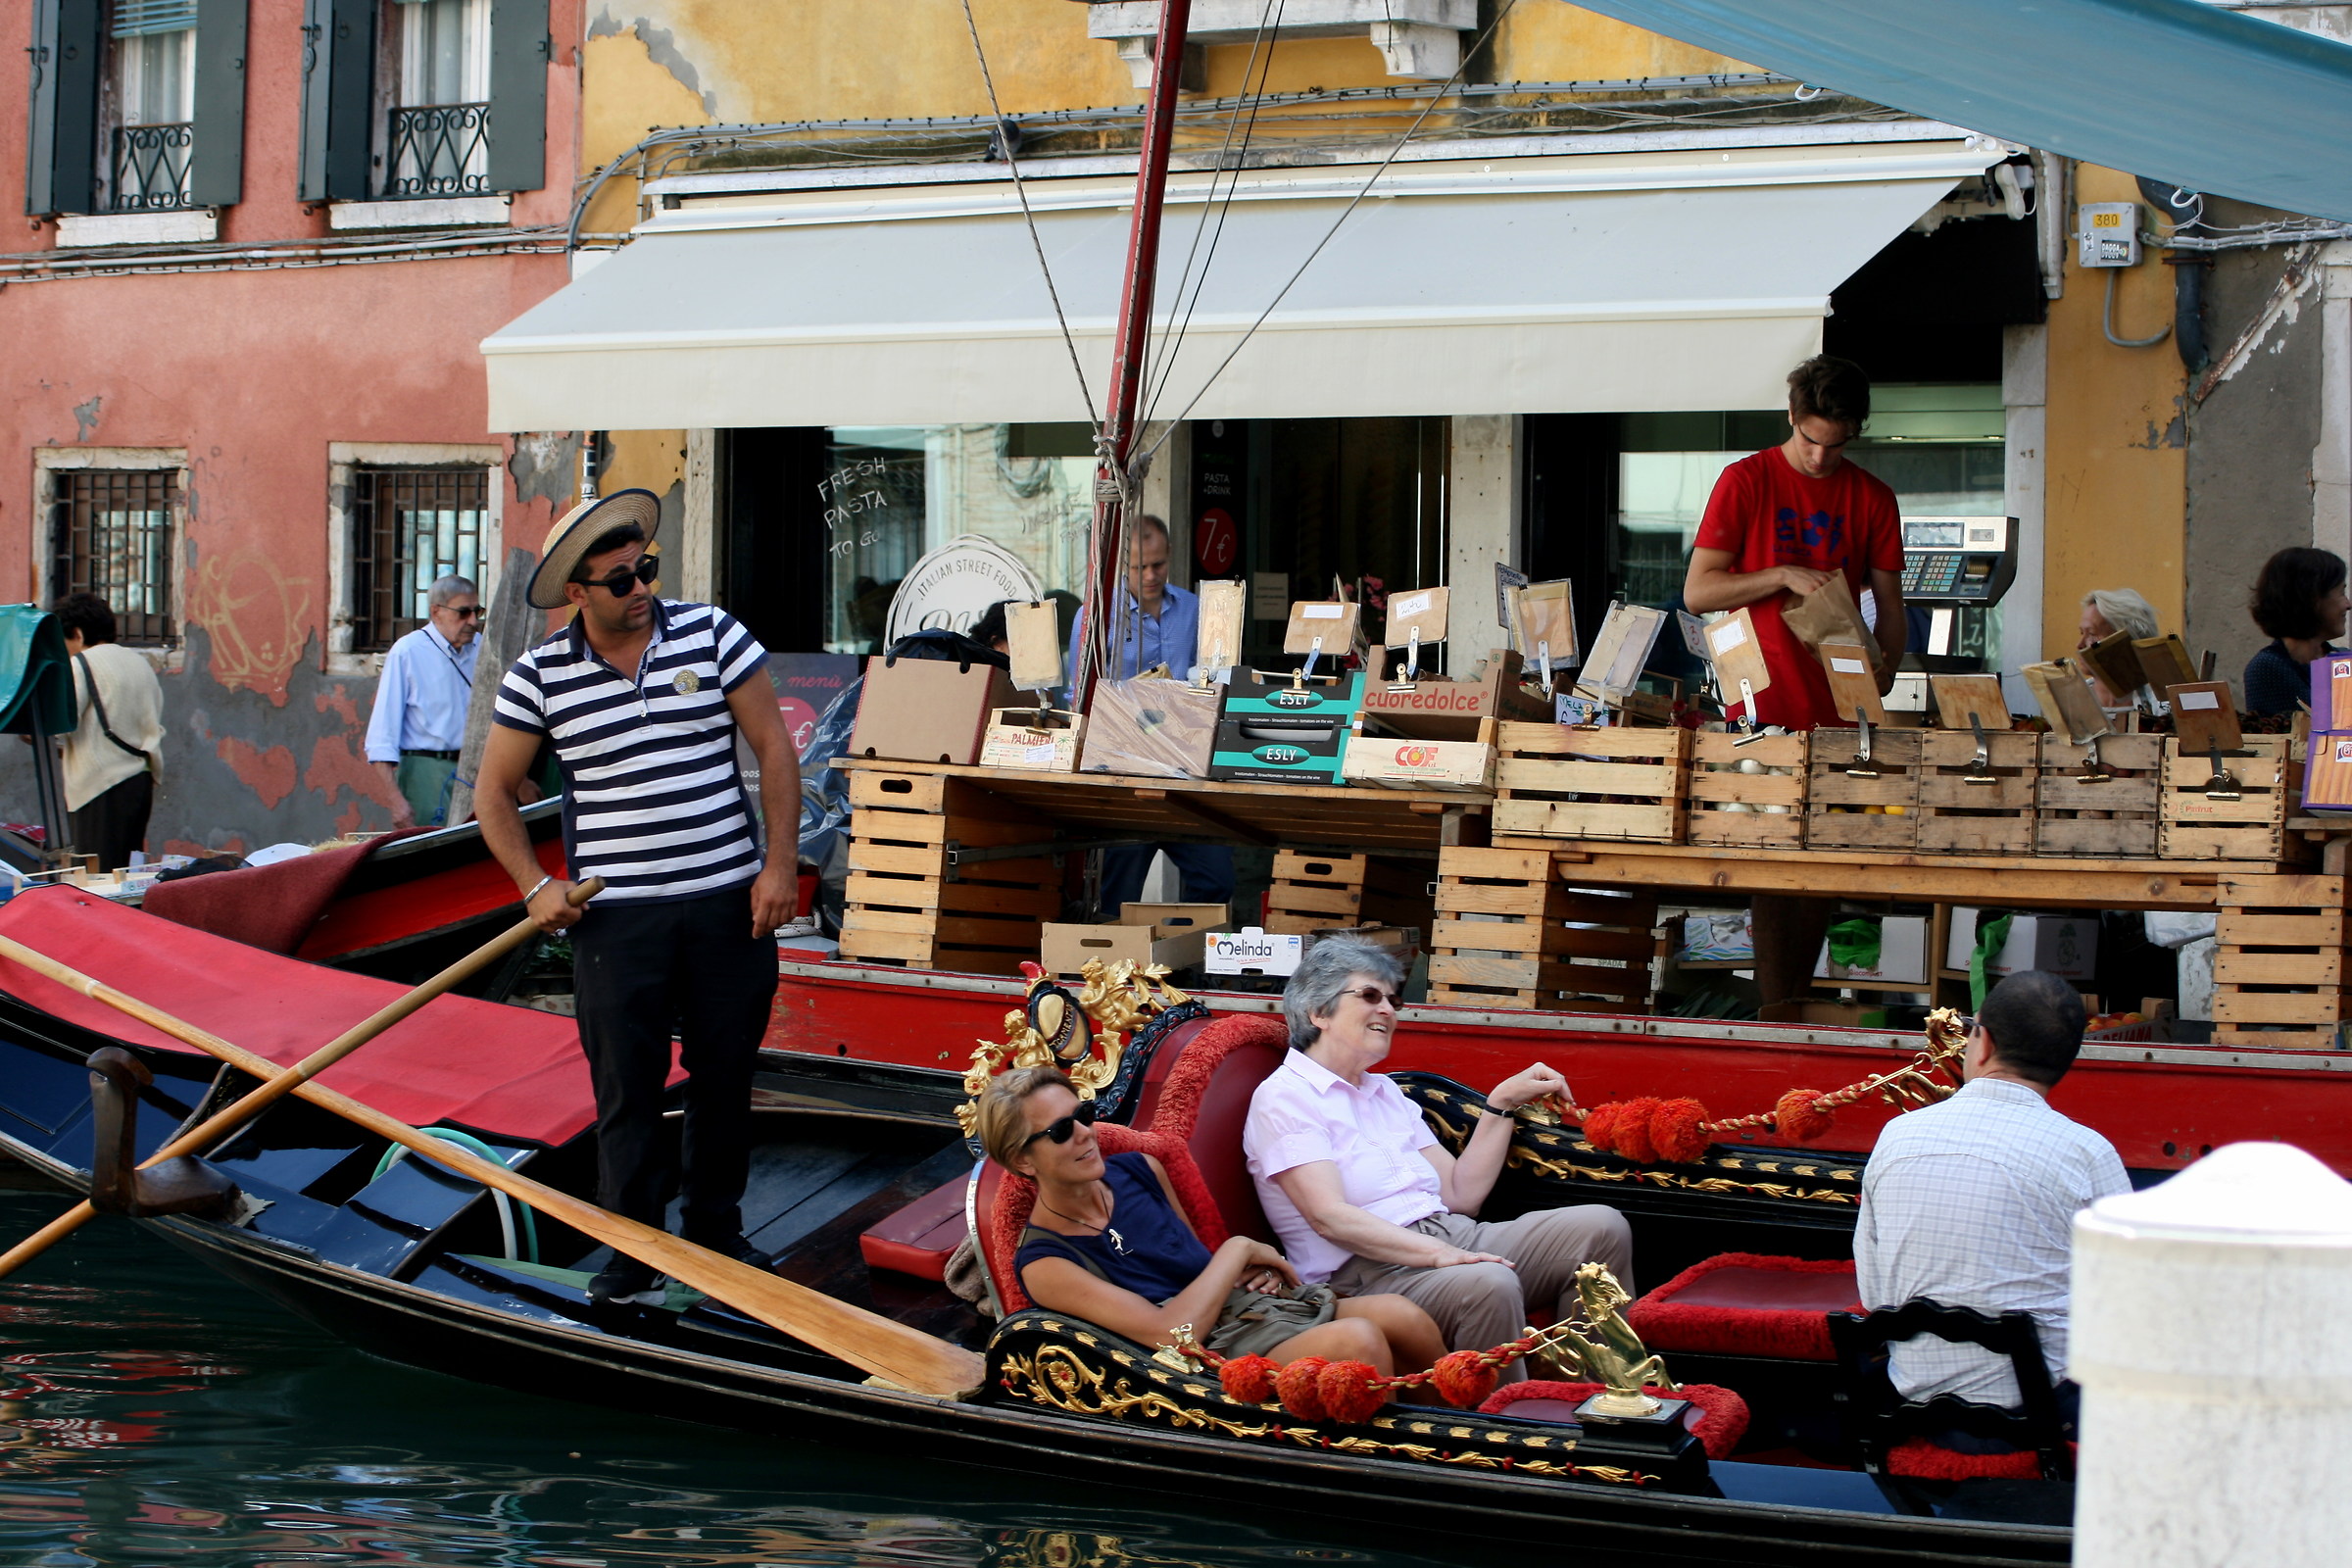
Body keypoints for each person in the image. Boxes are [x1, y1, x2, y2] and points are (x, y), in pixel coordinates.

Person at [473, 490, 802, 1305]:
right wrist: (535, 887)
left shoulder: (713, 635)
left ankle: (716, 1234)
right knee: (627, 1088)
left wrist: (778, 867)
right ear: (577, 592)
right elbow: (493, 793)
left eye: (645, 570)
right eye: (620, 580)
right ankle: (632, 1248)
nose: (641, 588)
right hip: (616, 920)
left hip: (728, 903)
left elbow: (773, 747)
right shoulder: (539, 675)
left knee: (725, 1076)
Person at [1244, 938, 1634, 1375]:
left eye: (1393, 1000)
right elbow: (1329, 1218)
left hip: (1450, 1234)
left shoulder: (1384, 1091)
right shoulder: (1285, 1098)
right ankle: (1509, 1412)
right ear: (1319, 1011)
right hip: (1367, 1272)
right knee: (1489, 1282)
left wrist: (1501, 1104)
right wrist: (1436, 1253)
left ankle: (1598, 1394)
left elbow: (1459, 1194)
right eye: (1370, 996)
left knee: (1601, 1228)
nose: (1388, 1010)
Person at [978, 1065, 1446, 1384]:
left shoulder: (1142, 1171)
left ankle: (1456, 1439)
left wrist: (1250, 1272)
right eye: (1061, 1131)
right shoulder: (1045, 1263)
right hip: (1195, 1367)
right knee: (1358, 1341)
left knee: (1402, 1315)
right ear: (1023, 1160)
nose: (1086, 1134)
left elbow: (1201, 1269)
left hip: (1246, 1315)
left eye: (1083, 1115)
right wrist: (1238, 1251)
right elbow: (1169, 1334)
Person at [1682, 356, 1906, 1005]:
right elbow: (1699, 591)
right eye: (1810, 440)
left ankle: (1784, 1009)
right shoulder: (1745, 480)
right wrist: (1781, 574)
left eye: (1836, 445)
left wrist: (1885, 669)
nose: (1819, 457)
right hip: (1760, 702)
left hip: (1839, 707)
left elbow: (1890, 607)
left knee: (1821, 867)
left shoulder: (1873, 497)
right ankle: (1776, 1010)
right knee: (1769, 860)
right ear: (1791, 416)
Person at [1853, 970, 2129, 1414]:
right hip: (2045, 1415)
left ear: (1984, 1044)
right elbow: (2127, 1308)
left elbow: (1874, 1296)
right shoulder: (2088, 1153)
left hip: (1912, 1407)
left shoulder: (1897, 1136)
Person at [1068, 515, 1233, 916]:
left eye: (1158, 565)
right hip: (1125, 772)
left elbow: (1217, 677)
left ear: (1170, 556)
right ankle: (1119, 954)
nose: (1150, 575)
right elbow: (1078, 694)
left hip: (1186, 769)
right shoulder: (1097, 616)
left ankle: (1176, 945)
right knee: (1117, 893)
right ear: (1122, 565)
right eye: (1139, 567)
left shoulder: (1194, 609)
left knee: (1216, 878)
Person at [363, 574, 482, 830]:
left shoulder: (481, 648)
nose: (473, 621)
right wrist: (396, 801)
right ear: (436, 611)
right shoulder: (408, 651)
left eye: (477, 612)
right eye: (463, 613)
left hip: (478, 771)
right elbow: (381, 737)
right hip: (425, 772)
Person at [55, 593, 163, 872]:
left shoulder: (81, 664)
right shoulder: (140, 663)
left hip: (99, 784)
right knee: (125, 874)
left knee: (96, 877)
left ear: (77, 634)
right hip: (140, 780)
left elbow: (61, 722)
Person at [2244, 547, 2348, 717]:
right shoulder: (2269, 668)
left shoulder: (2341, 661)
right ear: (2311, 598)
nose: (2348, 605)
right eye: (2341, 593)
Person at [2078, 587, 2160, 707]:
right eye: (2081, 633)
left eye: (2092, 634)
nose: (2080, 645)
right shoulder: (2069, 704)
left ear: (2123, 642)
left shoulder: (2160, 705)